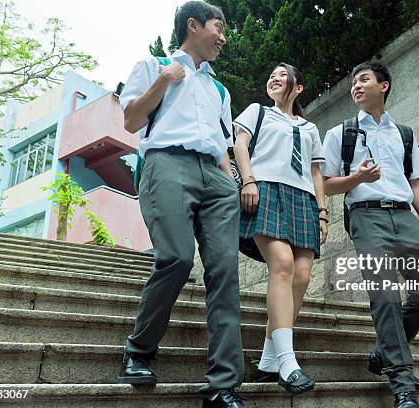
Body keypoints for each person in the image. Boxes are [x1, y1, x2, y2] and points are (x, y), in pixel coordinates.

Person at [116, 2, 245, 407]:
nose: (223, 37)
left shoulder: (219, 89)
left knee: (225, 274)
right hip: (166, 164)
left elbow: (223, 145)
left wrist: (231, 179)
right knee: (175, 257)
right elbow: (132, 122)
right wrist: (164, 82)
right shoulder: (153, 65)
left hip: (215, 177)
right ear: (193, 25)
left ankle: (223, 385)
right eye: (218, 27)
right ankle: (139, 349)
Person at [321, 61, 419, 408]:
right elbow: (328, 185)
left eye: (364, 80)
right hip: (365, 216)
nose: (356, 87)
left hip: (404, 218)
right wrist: (357, 180)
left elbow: (415, 183)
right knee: (385, 295)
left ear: (384, 86)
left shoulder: (403, 134)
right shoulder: (340, 134)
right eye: (353, 83)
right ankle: (402, 382)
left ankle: (383, 354)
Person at [233, 63, 328, 395]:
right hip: (267, 190)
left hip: (303, 199)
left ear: (297, 87)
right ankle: (288, 363)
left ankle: (268, 360)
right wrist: (248, 181)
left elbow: (317, 174)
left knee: (302, 277)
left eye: (282, 75)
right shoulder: (257, 112)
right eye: (270, 74)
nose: (273, 77)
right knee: (283, 265)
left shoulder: (311, 128)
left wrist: (322, 212)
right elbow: (240, 146)